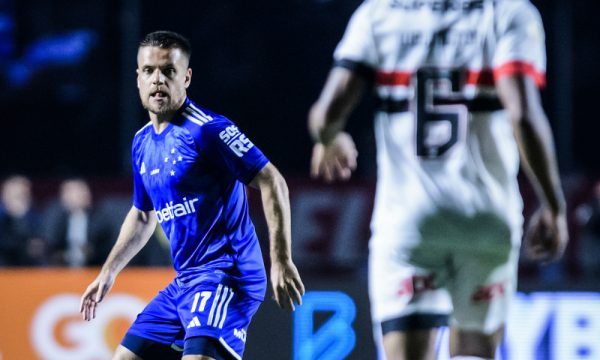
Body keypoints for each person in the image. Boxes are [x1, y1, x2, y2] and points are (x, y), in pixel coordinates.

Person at [308, 1, 568, 359]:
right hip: (486, 218)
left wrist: (329, 138)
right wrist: (554, 205)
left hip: (409, 221)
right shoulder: (509, 12)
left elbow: (327, 114)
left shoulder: (379, 14)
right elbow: (523, 115)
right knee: (475, 349)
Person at [80, 31, 304, 360]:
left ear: (186, 77)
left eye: (168, 71)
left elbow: (273, 181)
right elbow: (143, 215)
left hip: (228, 274)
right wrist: (108, 272)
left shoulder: (208, 130)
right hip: (187, 280)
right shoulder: (141, 143)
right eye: (149, 71)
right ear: (138, 78)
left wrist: (282, 260)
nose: (158, 80)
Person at [0, 174, 47, 266]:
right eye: (15, 194)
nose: (19, 198)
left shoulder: (35, 215)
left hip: (28, 262)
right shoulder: (2, 214)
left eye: (23, 194)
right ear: (4, 194)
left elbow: (40, 240)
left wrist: (21, 217)